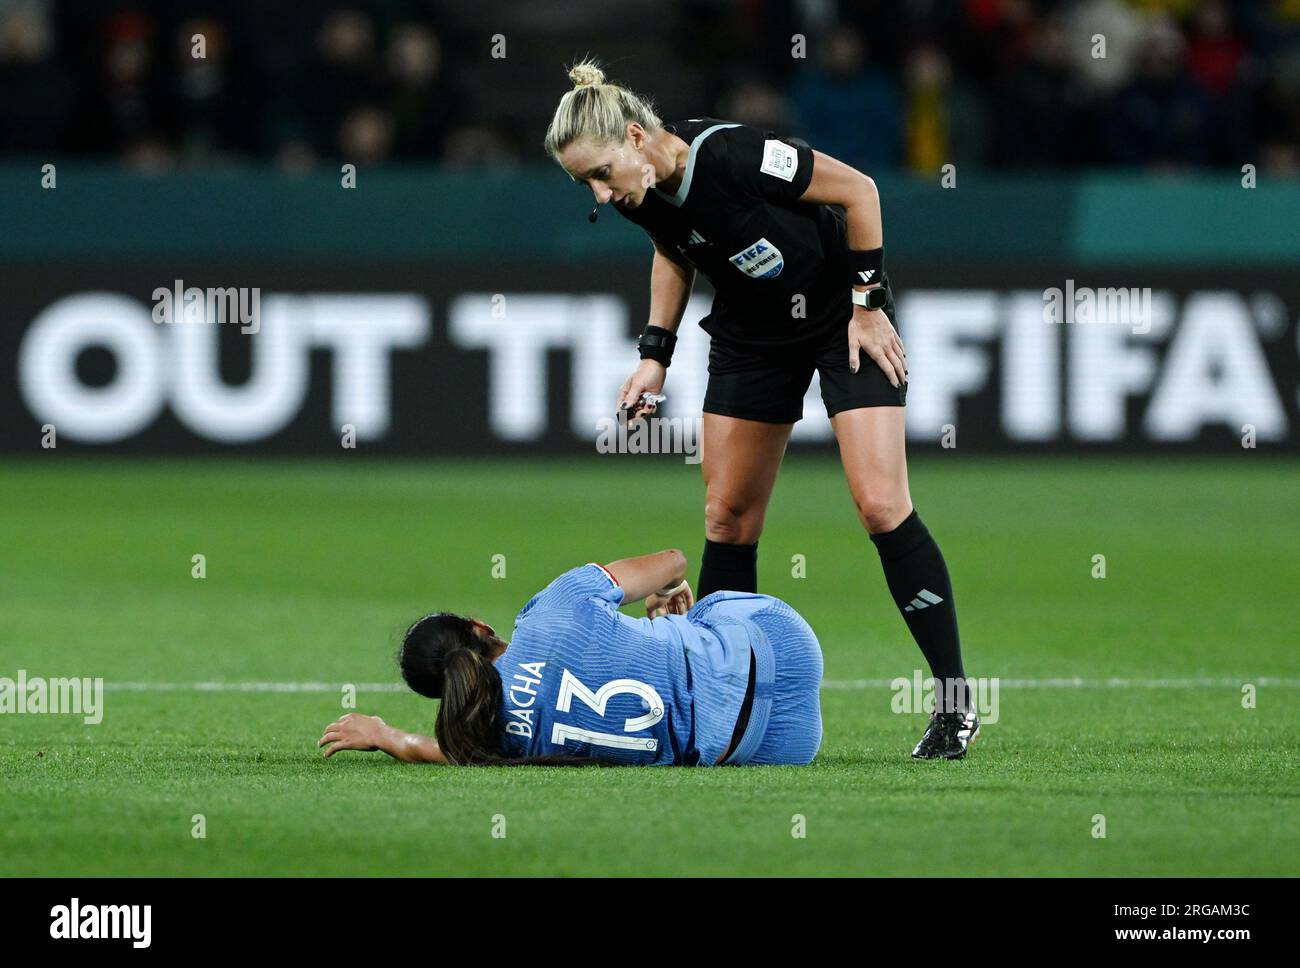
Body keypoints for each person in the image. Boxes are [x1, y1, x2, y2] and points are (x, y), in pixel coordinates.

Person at [543, 58, 979, 758]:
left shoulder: (736, 154)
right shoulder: (641, 187)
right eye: (584, 183)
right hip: (751, 340)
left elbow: (860, 193)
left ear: (633, 134)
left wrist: (869, 306)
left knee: (880, 505)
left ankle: (955, 703)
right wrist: (656, 352)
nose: (598, 194)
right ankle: (722, 700)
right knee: (728, 518)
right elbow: (672, 249)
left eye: (598, 173)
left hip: (843, 321)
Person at [317, 550, 823, 767]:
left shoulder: (491, 738)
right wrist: (664, 609)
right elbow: (673, 560)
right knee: (705, 606)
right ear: (480, 628)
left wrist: (386, 736)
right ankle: (685, 629)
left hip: (776, 746)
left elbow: (446, 752)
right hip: (787, 646)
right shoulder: (553, 609)